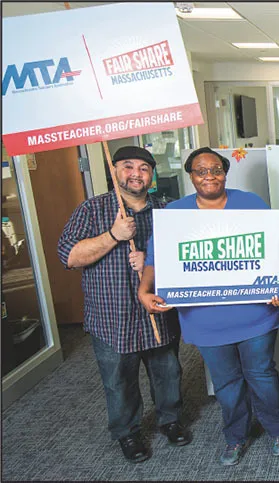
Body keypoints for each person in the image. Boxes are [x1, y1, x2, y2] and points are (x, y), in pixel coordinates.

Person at [137, 147, 279, 466]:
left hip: (256, 314)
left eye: (215, 170)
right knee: (226, 382)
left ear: (225, 172)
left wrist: (278, 284)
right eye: (200, 171)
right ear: (190, 176)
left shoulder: (250, 203)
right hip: (204, 319)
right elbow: (155, 259)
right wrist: (143, 290)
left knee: (261, 375)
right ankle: (236, 436)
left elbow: (278, 244)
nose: (209, 176)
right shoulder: (175, 213)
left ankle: (278, 429)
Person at [57, 146, 190, 463]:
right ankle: (127, 432)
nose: (136, 174)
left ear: (152, 174)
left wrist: (151, 261)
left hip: (157, 309)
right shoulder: (92, 210)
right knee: (119, 381)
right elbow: (70, 257)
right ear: (114, 169)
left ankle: (170, 420)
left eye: (144, 168)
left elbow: (187, 258)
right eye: (128, 166)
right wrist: (113, 235)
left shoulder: (166, 211)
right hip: (112, 316)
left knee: (168, 372)